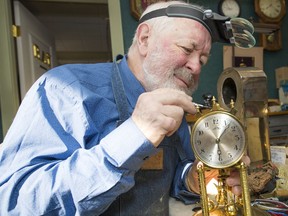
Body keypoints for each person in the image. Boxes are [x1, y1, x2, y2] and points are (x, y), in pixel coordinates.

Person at [0, 1, 251, 215]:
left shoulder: (175, 106)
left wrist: (193, 180)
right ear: (144, 39)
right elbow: (14, 202)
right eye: (187, 49)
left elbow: (172, 174)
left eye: (203, 60)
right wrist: (133, 135)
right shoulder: (64, 88)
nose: (196, 67)